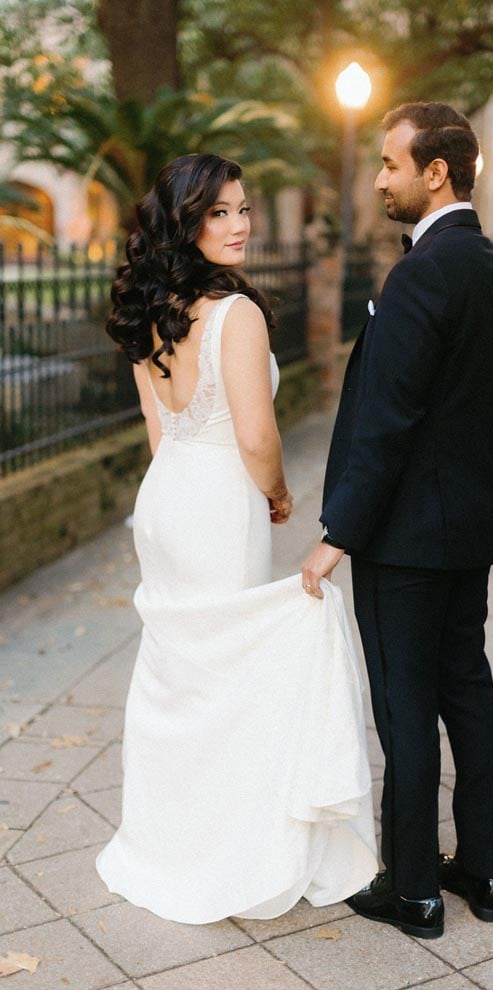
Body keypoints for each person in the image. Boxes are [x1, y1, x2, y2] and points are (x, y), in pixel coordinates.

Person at [95, 153, 377, 924]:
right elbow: (256, 434)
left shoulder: (152, 309)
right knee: (227, 675)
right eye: (220, 212)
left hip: (169, 495)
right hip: (221, 502)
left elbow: (160, 428)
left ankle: (168, 839)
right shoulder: (236, 314)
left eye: (244, 209)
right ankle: (219, 850)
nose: (242, 224)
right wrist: (279, 495)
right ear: (186, 221)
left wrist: (186, 491)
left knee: (182, 670)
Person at [302, 103, 493, 939]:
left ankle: (418, 892)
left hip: (407, 538)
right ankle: (484, 872)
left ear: (436, 171)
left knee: (406, 705)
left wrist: (335, 538)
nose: (380, 177)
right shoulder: (489, 265)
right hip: (468, 527)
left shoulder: (425, 272)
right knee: (467, 690)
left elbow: (389, 423)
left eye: (391, 163)